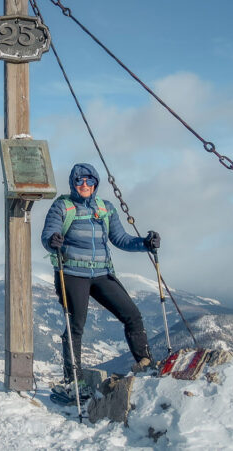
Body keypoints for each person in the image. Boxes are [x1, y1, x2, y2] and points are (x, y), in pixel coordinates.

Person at [41, 162, 160, 399]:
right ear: (73, 184)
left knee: (132, 315)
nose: (84, 185)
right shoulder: (62, 206)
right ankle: (72, 381)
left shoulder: (105, 208)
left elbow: (121, 239)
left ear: (96, 183)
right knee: (76, 326)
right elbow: (48, 234)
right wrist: (52, 240)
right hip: (72, 273)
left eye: (89, 181)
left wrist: (145, 244)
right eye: (80, 181)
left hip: (102, 273)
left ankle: (146, 365)